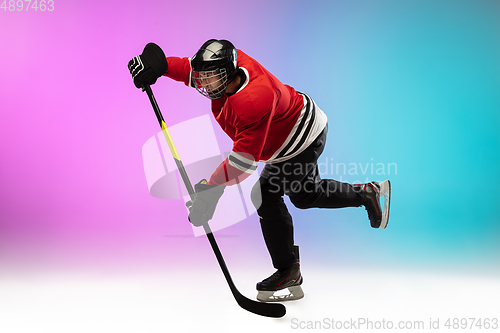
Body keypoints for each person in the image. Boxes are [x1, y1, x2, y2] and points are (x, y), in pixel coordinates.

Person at [128, 40, 391, 302]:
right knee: (290, 195)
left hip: (300, 136)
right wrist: (160, 67)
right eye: (204, 75)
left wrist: (210, 189)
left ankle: (293, 268)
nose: (203, 83)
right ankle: (363, 197)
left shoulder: (252, 100)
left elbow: (242, 164)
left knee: (284, 196)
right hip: (282, 136)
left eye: (211, 78)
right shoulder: (225, 67)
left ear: (229, 74)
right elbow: (190, 70)